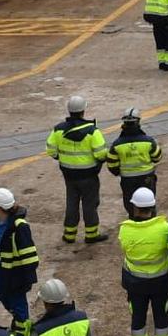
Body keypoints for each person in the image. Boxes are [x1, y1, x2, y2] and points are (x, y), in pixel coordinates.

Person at [120, 187, 168, 336]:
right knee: (161, 320)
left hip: (135, 285)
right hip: (160, 283)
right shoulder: (165, 229)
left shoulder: (125, 230)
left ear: (135, 208)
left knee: (137, 320)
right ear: (153, 207)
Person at [45, 95, 110, 244]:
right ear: (83, 110)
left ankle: (69, 235)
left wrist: (62, 158)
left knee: (72, 203)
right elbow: (101, 154)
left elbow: (50, 150)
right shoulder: (93, 131)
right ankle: (91, 234)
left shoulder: (58, 130)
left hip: (69, 175)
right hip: (89, 175)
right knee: (90, 204)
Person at [0, 189, 40, 336]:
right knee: (3, 296)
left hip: (15, 273)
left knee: (17, 301)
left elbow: (29, 257)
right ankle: (19, 323)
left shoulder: (19, 226)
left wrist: (25, 278)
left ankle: (23, 331)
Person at [108, 107, 162, 213]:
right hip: (147, 179)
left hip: (127, 181)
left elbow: (112, 165)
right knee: (148, 205)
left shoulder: (117, 144)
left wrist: (121, 172)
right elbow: (157, 157)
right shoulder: (149, 142)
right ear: (138, 122)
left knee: (131, 207)